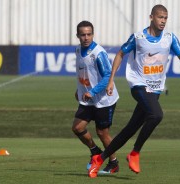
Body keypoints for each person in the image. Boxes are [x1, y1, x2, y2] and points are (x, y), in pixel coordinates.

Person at [88, 4, 180, 178]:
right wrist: (110, 81)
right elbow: (120, 54)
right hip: (138, 85)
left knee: (129, 130)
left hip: (155, 90)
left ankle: (99, 159)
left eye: (166, 18)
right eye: (160, 17)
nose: (163, 21)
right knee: (157, 115)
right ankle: (134, 153)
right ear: (151, 17)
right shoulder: (138, 37)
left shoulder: (169, 38)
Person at [72, 20, 119, 174]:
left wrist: (91, 92)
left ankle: (114, 163)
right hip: (87, 99)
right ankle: (95, 151)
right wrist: (79, 90)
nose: (86, 37)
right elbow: (83, 72)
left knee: (102, 133)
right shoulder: (78, 50)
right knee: (77, 128)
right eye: (83, 34)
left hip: (103, 99)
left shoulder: (98, 53)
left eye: (89, 34)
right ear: (78, 36)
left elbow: (107, 76)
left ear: (93, 34)